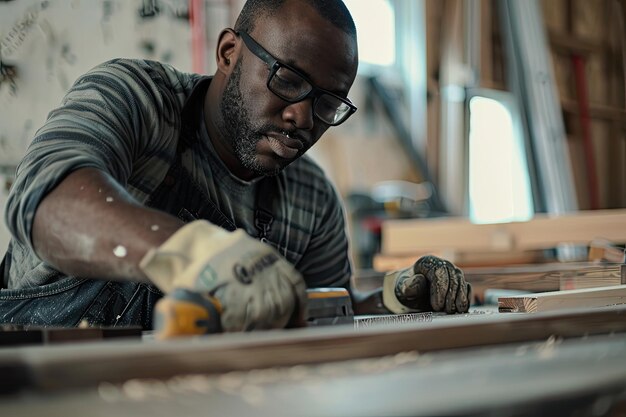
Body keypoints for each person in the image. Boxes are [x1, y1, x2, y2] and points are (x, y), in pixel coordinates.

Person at [0, 0, 469, 331]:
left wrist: (397, 300)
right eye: (287, 80)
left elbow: (327, 315)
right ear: (229, 53)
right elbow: (46, 202)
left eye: (329, 103)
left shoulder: (312, 200)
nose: (302, 117)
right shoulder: (137, 99)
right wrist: (192, 256)